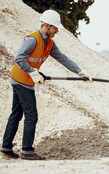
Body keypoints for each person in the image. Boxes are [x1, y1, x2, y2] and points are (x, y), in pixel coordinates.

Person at [0, 10, 92, 160]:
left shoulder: (49, 42)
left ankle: (6, 147)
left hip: (23, 80)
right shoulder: (33, 39)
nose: (57, 31)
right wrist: (33, 72)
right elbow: (19, 58)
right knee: (32, 116)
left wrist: (80, 71)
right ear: (47, 26)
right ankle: (27, 151)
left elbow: (62, 58)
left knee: (16, 114)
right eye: (55, 28)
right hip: (22, 80)